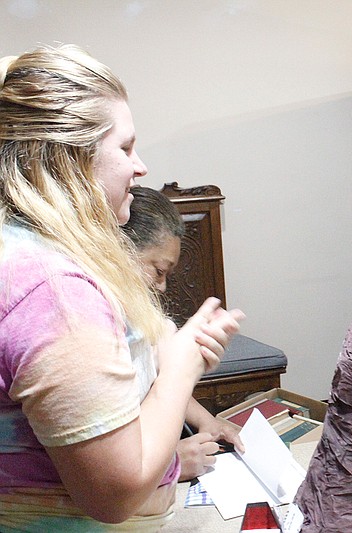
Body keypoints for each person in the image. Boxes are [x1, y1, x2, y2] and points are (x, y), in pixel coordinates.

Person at [0, 44, 244, 531]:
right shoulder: (54, 291)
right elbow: (115, 494)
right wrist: (181, 365)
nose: (141, 167)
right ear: (67, 159)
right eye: (126, 148)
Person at [122, 185, 244, 482]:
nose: (162, 286)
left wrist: (208, 421)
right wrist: (172, 462)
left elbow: (158, 379)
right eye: (158, 270)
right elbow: (105, 474)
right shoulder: (88, 327)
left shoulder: (144, 318)